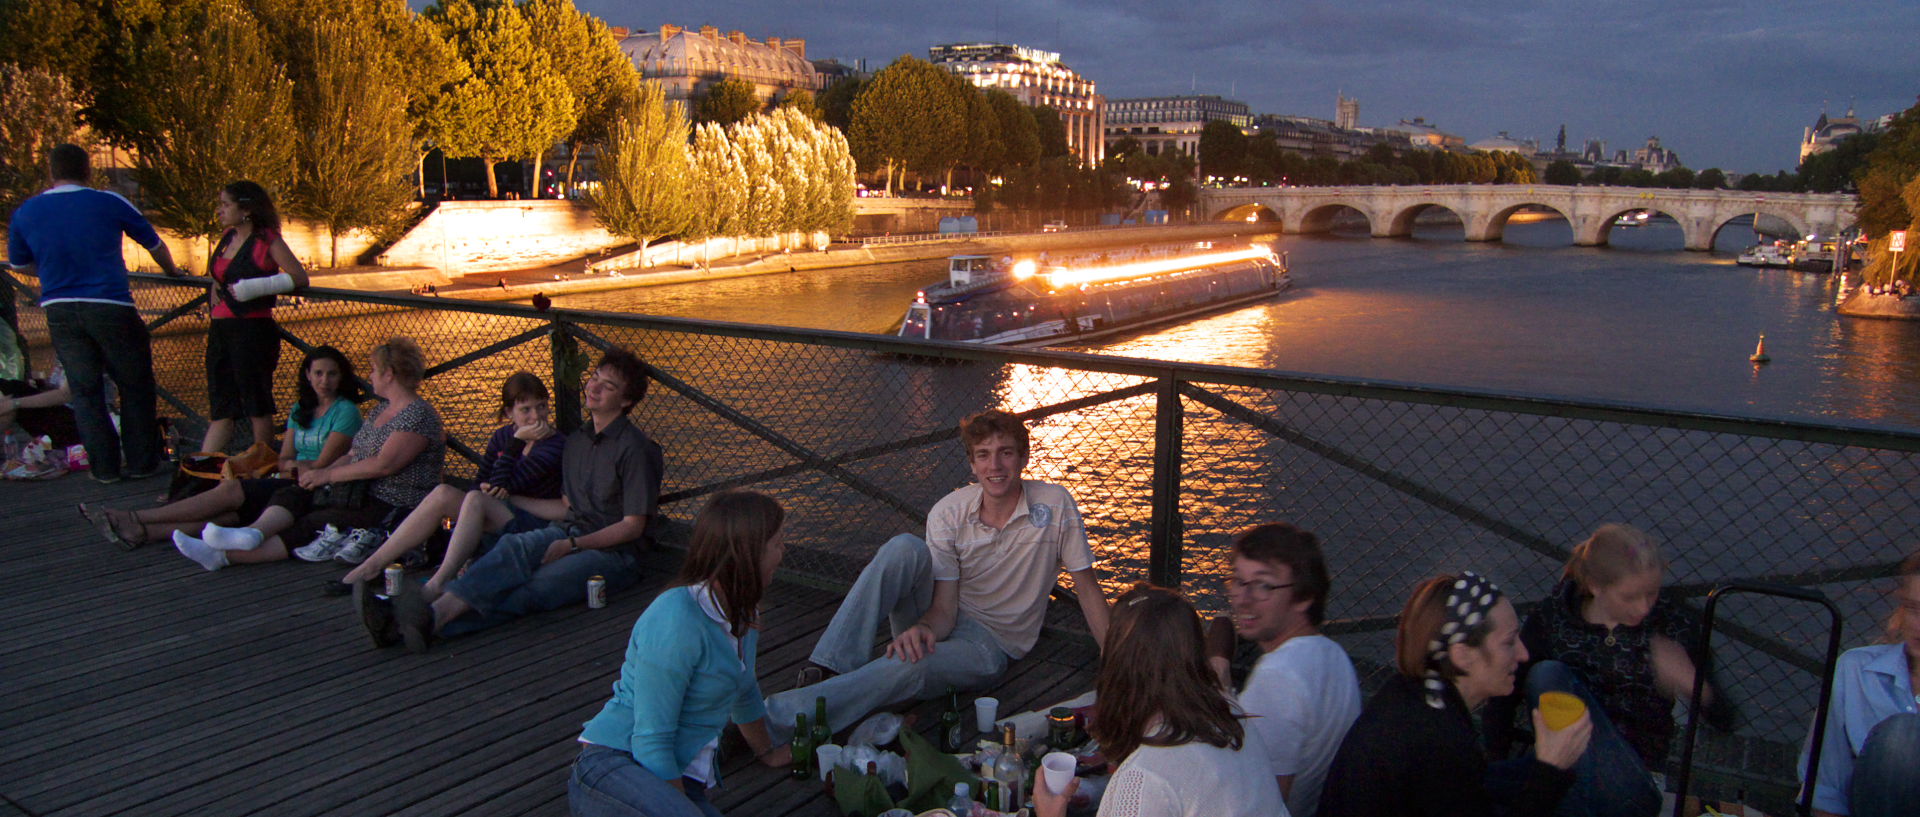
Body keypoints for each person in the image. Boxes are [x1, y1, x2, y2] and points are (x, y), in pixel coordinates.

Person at [763, 409, 1112, 741]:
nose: (995, 465)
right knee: (903, 548)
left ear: (1024, 459)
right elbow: (945, 605)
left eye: (1006, 453)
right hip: (944, 618)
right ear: (972, 464)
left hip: (990, 644)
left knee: (908, 665)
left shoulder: (1054, 504)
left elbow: (1087, 587)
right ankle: (829, 667)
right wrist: (923, 630)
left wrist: (1117, 663)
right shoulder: (949, 511)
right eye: (983, 454)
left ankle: (772, 721)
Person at [366, 346, 662, 652]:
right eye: (595, 377)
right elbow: (566, 505)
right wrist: (518, 506)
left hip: (616, 554)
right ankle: (430, 618)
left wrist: (574, 545)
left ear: (626, 401)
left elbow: (632, 527)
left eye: (608, 386)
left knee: (538, 584)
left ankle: (422, 621)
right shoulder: (577, 442)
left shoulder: (636, 449)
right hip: (567, 531)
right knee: (513, 548)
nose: (594, 387)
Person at [569, 490, 794, 817]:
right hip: (616, 766)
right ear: (747, 553)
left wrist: (767, 752)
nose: (782, 552)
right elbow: (651, 741)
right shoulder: (676, 619)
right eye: (777, 543)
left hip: (675, 777)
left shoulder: (746, 615)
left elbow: (744, 690)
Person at [1486, 524, 1717, 816]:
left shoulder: (1671, 625)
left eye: (1652, 593)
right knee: (1545, 676)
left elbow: (1725, 718)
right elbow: (1504, 700)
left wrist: (1694, 684)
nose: (1644, 608)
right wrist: (1494, 755)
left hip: (1632, 784)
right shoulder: (1553, 618)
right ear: (1595, 585)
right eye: (1630, 597)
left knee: (1547, 675)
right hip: (1562, 770)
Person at [1319, 572, 1593, 817]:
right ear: (1462, 654)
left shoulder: (1411, 695)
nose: (1523, 654)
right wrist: (1551, 771)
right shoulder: (1437, 742)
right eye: (1509, 642)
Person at [168, 337, 443, 570]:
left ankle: (225, 556)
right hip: (359, 490)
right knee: (295, 492)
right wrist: (319, 475)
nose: (369, 376)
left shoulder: (416, 416)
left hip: (390, 502)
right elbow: (356, 452)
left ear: (389, 374)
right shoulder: (381, 409)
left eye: (373, 370)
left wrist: (328, 474)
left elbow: (384, 465)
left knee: (312, 521)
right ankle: (252, 534)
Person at [6, 143, 185, 483]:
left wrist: (51, 273)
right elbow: (155, 244)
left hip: (59, 308)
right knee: (134, 385)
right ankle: (141, 463)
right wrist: (173, 272)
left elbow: (18, 264)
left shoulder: (26, 211)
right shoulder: (108, 201)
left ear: (51, 172)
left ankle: (104, 470)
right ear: (88, 170)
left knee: (85, 391)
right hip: (110, 305)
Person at [1032, 584, 1285, 817]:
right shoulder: (1228, 709)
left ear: (1117, 665)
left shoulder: (1144, 778)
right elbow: (1222, 623)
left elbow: (1156, 782)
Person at [82, 346, 364, 548]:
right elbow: (285, 457)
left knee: (230, 492)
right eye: (318, 373)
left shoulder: (346, 412)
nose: (324, 381)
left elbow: (321, 465)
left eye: (332, 374)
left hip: (311, 485)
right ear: (307, 375)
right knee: (229, 516)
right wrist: (291, 465)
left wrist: (293, 465)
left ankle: (134, 517)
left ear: (342, 377)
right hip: (286, 477)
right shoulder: (301, 408)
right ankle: (142, 532)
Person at [327, 371, 566, 596]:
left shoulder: (554, 445)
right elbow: (481, 482)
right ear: (509, 412)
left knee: (475, 498)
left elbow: (505, 485)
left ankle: (439, 581)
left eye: (542, 406)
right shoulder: (502, 436)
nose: (537, 416)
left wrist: (515, 445)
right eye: (526, 410)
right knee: (443, 493)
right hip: (497, 510)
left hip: (533, 522)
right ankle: (371, 566)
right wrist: (493, 481)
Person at [1204, 523, 1360, 817]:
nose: (1243, 599)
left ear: (1304, 597)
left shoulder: (1278, 676)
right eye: (1238, 581)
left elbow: (1261, 804)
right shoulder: (1333, 656)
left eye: (1263, 585)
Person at [1803, 551, 1920, 817]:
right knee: (1903, 735)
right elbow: (1825, 788)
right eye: (1914, 609)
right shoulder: (1857, 670)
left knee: (1906, 735)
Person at [198, 180, 310, 454]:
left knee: (256, 403)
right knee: (222, 406)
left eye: (225, 204)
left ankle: (262, 463)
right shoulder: (227, 238)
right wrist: (216, 295)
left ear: (245, 208)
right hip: (222, 331)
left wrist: (254, 288)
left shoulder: (266, 240)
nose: (219, 210)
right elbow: (220, 276)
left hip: (252, 331)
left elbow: (299, 278)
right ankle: (199, 470)